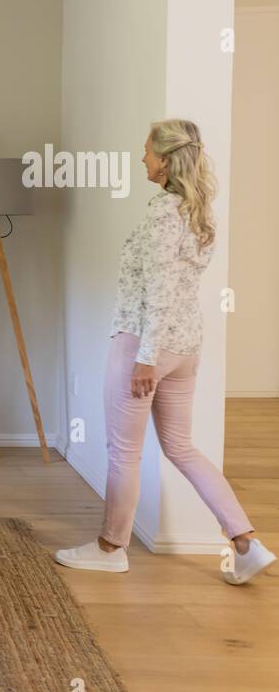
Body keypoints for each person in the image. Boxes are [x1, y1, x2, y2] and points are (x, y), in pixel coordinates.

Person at [56, 121, 274, 584]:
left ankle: (110, 548)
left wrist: (146, 357)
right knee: (181, 446)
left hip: (145, 343)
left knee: (124, 452)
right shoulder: (200, 211)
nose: (142, 159)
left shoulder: (163, 212)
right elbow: (176, 287)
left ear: (166, 159)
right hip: (187, 345)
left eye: (146, 151)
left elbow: (158, 288)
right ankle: (245, 543)